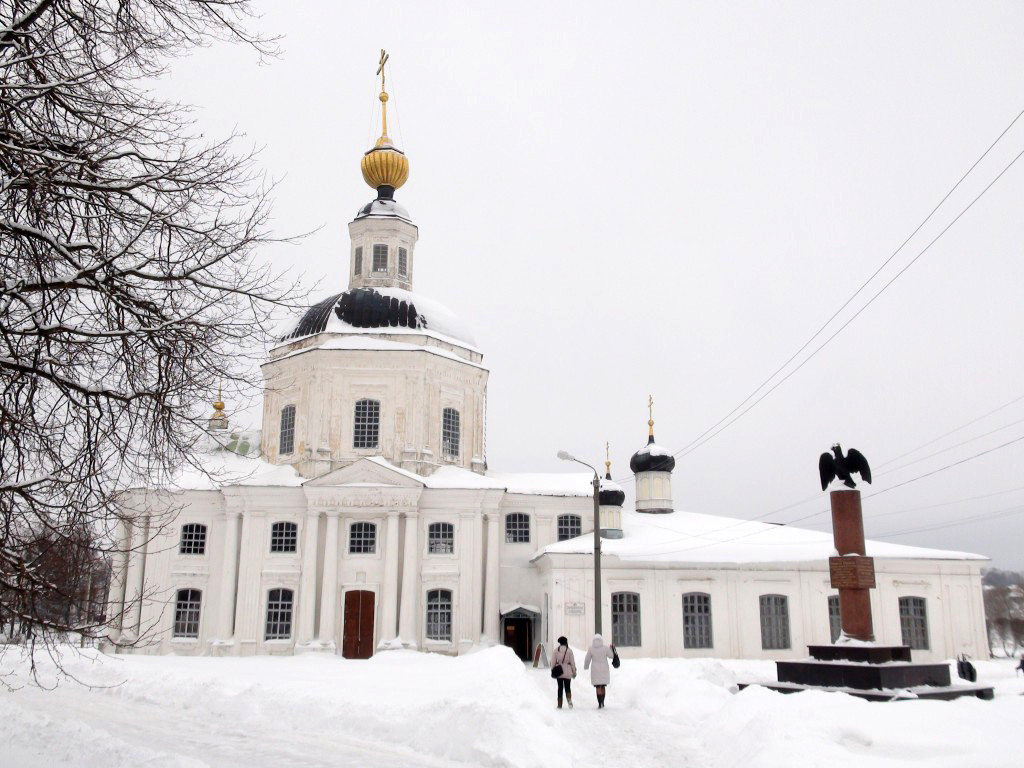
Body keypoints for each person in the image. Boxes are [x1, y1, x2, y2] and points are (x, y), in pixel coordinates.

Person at [583, 633, 615, 708]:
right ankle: (603, 702)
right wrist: (611, 649)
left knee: (598, 687)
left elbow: (587, 659)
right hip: (604, 669)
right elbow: (611, 656)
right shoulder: (605, 648)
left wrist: (586, 666)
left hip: (595, 670)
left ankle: (599, 703)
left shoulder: (591, 648)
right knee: (603, 686)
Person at [551, 635, 576, 709]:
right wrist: (574, 672)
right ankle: (569, 701)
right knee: (568, 687)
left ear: (560, 643)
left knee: (560, 687)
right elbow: (572, 662)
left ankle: (559, 704)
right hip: (568, 671)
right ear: (566, 642)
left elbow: (553, 662)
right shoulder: (569, 651)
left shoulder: (556, 650)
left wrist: (553, 670)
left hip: (559, 671)